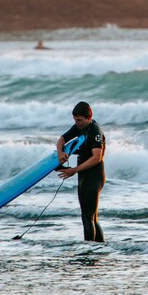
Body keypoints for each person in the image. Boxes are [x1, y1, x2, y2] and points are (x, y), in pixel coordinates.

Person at [56, 101, 106, 242]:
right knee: (90, 216)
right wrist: (60, 153)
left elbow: (96, 157)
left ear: (89, 117)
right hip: (84, 175)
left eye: (79, 120)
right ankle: (97, 248)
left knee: (88, 216)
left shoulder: (95, 131)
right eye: (75, 120)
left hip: (94, 175)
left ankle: (89, 250)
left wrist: (74, 170)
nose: (77, 123)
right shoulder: (79, 127)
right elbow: (61, 139)